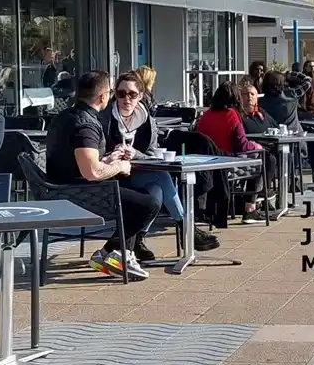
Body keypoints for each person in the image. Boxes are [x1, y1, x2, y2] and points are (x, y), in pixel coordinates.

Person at [45, 71, 156, 280]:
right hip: (77, 194)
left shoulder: (64, 117)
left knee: (135, 195)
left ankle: (117, 254)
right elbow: (92, 172)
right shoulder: (86, 124)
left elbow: (80, 161)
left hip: (61, 187)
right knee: (148, 203)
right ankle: (114, 253)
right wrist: (121, 165)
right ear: (103, 97)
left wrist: (108, 159)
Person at [102, 72, 218, 257]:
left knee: (156, 191)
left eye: (132, 94)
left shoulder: (147, 121)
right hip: (112, 177)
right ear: (115, 94)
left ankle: (138, 240)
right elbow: (96, 153)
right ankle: (186, 228)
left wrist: (135, 154)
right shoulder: (105, 119)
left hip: (137, 174)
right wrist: (113, 154)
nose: (126, 99)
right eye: (121, 93)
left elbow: (151, 153)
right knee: (161, 179)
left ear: (140, 96)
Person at [196, 82, 271, 223]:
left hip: (205, 162)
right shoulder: (232, 115)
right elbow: (242, 145)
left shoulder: (206, 115)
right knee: (264, 158)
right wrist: (256, 146)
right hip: (226, 162)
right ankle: (251, 207)